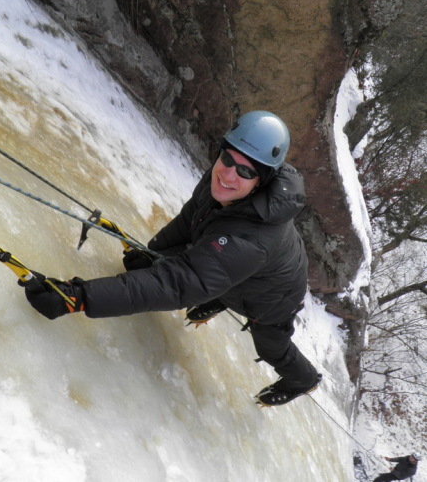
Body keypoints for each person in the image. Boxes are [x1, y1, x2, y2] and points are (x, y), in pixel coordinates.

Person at [22, 110, 321, 407]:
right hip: (239, 268)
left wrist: (81, 297)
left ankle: (302, 379)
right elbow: (192, 219)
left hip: (273, 298)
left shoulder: (250, 241)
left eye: (245, 171)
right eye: (228, 158)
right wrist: (153, 254)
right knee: (213, 274)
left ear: (262, 182)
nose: (228, 174)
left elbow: (178, 285)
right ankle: (218, 296)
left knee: (271, 345)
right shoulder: (222, 184)